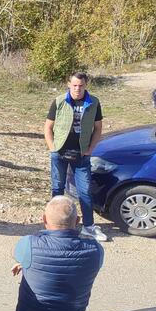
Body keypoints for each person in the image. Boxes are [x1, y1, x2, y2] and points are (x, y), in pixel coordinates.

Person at [12, 196, 104, 311]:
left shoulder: (29, 244)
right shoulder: (96, 249)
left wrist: (24, 261)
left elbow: (16, 253)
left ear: (44, 219)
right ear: (77, 221)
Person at [44, 72, 107, 241]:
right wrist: (52, 148)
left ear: (85, 85)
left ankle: (88, 227)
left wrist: (90, 148)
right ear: (68, 84)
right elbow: (48, 127)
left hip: (81, 154)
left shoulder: (93, 102)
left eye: (81, 85)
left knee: (84, 191)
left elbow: (98, 128)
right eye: (74, 85)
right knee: (58, 189)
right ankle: (55, 226)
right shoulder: (59, 101)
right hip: (60, 152)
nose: (77, 89)